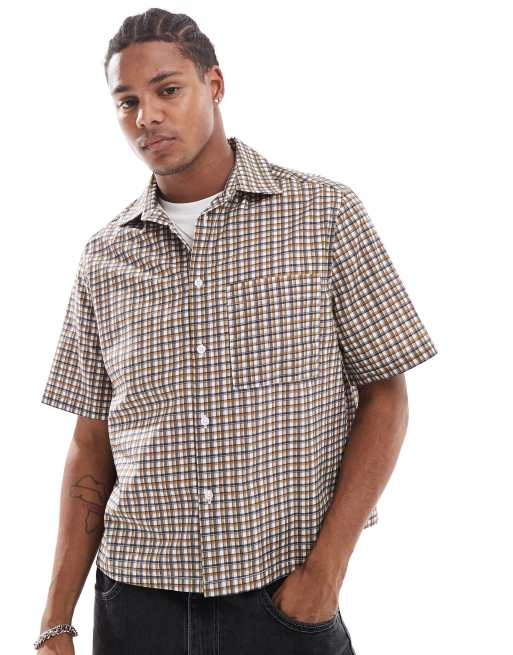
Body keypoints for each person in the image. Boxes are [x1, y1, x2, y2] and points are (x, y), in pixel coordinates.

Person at [35, 8, 438, 654]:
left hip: (285, 601)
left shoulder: (323, 215)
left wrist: (324, 575)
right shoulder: (103, 257)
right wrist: (56, 621)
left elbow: (385, 395)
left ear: (214, 84)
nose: (147, 117)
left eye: (167, 90)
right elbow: (91, 442)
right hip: (135, 608)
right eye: (127, 101)